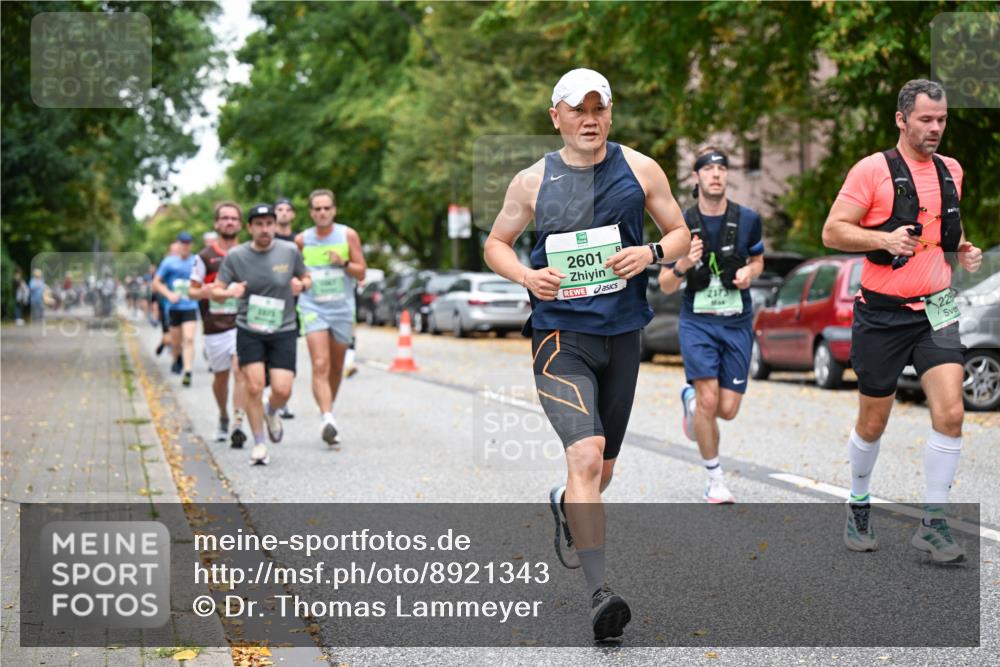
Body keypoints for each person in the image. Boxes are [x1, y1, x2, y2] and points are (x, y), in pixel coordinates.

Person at [483, 68, 690, 641]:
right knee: (586, 454)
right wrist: (527, 276)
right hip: (560, 338)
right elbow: (496, 244)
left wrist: (650, 253)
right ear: (557, 117)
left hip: (622, 335)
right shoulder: (531, 180)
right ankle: (600, 593)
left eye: (600, 108)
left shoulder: (641, 168)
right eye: (579, 109)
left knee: (602, 471)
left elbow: (679, 232)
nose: (590, 119)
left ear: (611, 113)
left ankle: (565, 501)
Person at [821, 79, 982, 563]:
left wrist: (963, 249)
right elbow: (832, 232)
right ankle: (859, 502)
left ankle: (933, 523)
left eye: (942, 119)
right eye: (926, 119)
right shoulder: (872, 170)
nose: (935, 128)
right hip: (882, 315)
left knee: (951, 414)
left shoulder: (952, 170)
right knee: (873, 422)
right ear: (901, 119)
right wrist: (883, 239)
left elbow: (945, 227)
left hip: (936, 310)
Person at [657, 147, 764, 504]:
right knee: (708, 400)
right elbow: (665, 285)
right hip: (697, 322)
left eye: (721, 168)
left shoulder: (748, 219)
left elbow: (758, 260)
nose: (715, 174)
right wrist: (683, 264)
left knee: (726, 409)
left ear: (727, 175)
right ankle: (714, 479)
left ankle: (690, 401)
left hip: (737, 322)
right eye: (708, 169)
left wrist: (750, 272)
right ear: (697, 176)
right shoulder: (681, 224)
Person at [214, 203, 310, 465]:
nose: (265, 229)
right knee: (254, 386)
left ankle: (272, 410)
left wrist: (301, 285)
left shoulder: (289, 251)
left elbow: (307, 278)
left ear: (275, 225)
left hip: (284, 328)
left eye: (269, 224)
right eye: (259, 224)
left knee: (282, 389)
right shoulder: (236, 256)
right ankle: (259, 443)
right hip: (250, 329)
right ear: (250, 227)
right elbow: (216, 291)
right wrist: (229, 292)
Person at [295, 189, 367, 446]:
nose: (322, 212)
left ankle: (327, 411)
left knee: (336, 368)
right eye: (317, 209)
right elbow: (295, 273)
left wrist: (343, 263)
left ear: (334, 210)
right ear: (311, 212)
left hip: (342, 309)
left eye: (327, 208)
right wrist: (299, 282)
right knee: (320, 363)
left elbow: (361, 272)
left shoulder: (348, 235)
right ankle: (328, 417)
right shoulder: (302, 240)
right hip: (313, 306)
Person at [190, 202, 249, 446]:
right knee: (221, 378)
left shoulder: (249, 253)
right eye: (224, 218)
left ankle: (238, 423)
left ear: (241, 224)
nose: (229, 222)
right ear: (217, 223)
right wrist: (208, 291)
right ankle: (223, 414)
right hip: (215, 326)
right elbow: (192, 291)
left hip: (243, 323)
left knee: (240, 370)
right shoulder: (205, 256)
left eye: (234, 218)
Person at [153, 232, 199, 386]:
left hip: (190, 306)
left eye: (188, 243)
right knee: (176, 342)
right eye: (182, 243)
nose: (185, 246)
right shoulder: (169, 262)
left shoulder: (196, 261)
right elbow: (156, 282)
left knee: (189, 339)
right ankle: (177, 357)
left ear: (191, 245)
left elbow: (203, 281)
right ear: (178, 244)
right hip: (174, 307)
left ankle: (188, 372)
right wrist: (169, 294)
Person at [269, 196, 299, 418]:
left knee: (287, 353)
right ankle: (273, 395)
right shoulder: (266, 239)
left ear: (293, 214)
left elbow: (305, 271)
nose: (284, 213)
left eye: (287, 209)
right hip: (268, 303)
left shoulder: (299, 241)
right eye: (279, 209)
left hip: (293, 306)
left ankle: (283, 399)